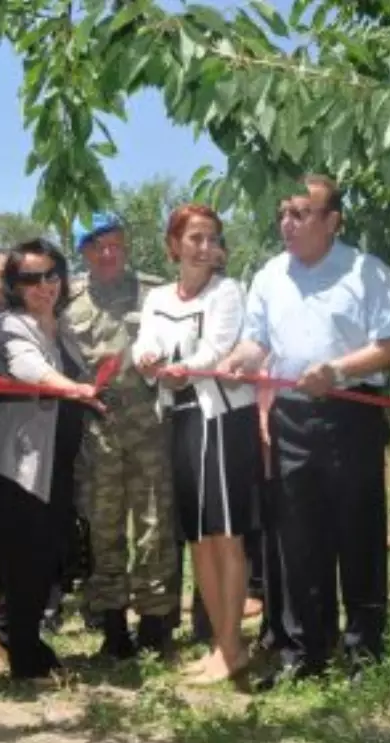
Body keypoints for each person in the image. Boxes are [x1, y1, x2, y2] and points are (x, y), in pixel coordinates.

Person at [218, 174, 390, 688]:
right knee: (299, 537)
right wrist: (237, 360)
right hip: (291, 416)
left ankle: (364, 653)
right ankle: (306, 651)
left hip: (351, 412)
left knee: (358, 532)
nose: (287, 222)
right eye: (283, 212)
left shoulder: (365, 271)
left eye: (300, 213)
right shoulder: (269, 276)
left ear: (332, 221)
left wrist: (338, 371)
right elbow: (255, 343)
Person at [132, 204, 259, 683]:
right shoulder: (159, 296)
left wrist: (182, 366)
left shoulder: (228, 291)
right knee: (200, 538)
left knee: (226, 534)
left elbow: (216, 348)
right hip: (181, 419)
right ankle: (220, 643)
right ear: (173, 245)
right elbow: (145, 341)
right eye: (195, 238)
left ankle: (232, 646)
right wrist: (146, 357)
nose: (205, 248)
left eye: (212, 238)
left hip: (222, 419)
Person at [0, 239, 100, 680]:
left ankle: (19, 637)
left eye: (51, 274)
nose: (44, 285)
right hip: (19, 463)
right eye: (30, 278)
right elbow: (29, 367)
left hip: (57, 461)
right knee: (26, 556)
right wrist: (71, 388)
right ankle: (20, 650)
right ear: (13, 284)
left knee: (48, 553)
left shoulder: (61, 326)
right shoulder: (10, 325)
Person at [66, 212, 177, 660]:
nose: (108, 254)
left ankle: (155, 625)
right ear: (84, 253)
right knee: (103, 527)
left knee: (155, 525)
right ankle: (112, 627)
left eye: (115, 244)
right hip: (99, 430)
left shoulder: (154, 293)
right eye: (97, 247)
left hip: (151, 426)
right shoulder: (68, 302)